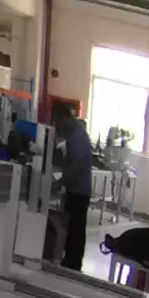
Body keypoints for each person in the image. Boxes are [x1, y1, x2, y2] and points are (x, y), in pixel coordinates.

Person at [54, 103, 96, 270]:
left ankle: (72, 264)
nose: (56, 125)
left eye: (56, 121)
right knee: (74, 228)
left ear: (63, 118)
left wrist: (60, 182)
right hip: (77, 188)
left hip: (79, 190)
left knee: (75, 229)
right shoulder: (75, 131)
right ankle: (71, 262)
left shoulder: (77, 135)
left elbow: (76, 164)